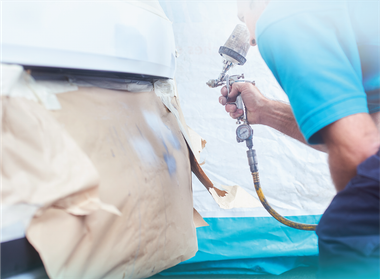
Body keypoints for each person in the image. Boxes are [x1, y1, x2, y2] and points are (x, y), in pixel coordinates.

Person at [219, 1, 380, 278]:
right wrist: (265, 110)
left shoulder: (283, 14)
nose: (253, 41)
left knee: (346, 228)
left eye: (243, 18)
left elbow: (358, 149)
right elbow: (367, 131)